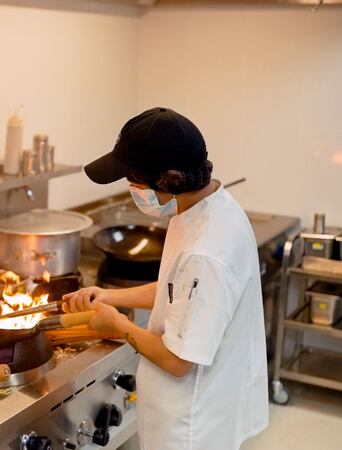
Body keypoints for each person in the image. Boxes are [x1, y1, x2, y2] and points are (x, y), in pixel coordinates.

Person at [63, 108, 268, 450]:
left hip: (192, 424)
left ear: (170, 179)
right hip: (196, 407)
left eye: (134, 179)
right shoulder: (207, 206)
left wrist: (118, 325)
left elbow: (177, 361)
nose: (130, 187)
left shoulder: (206, 251)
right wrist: (111, 297)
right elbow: (179, 292)